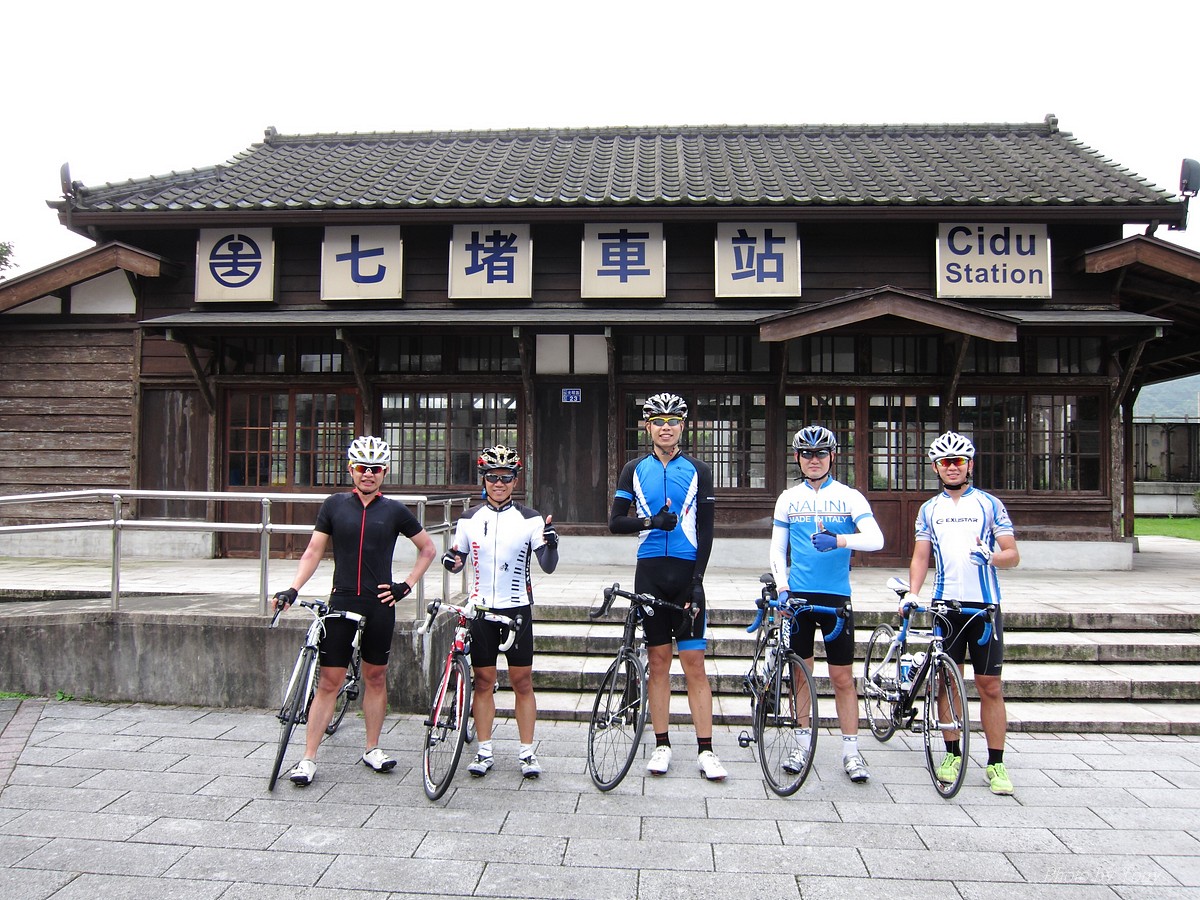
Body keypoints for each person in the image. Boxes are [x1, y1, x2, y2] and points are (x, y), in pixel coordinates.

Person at [272, 435, 437, 786]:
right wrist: (293, 588)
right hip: (343, 600)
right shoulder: (334, 505)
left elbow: (428, 549)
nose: (368, 474)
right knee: (329, 681)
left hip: (379, 603)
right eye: (362, 467)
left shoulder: (394, 510)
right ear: (351, 469)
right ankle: (308, 758)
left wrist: (405, 585)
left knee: (375, 677)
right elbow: (313, 551)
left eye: (375, 469)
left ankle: (372, 748)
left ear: (385, 472)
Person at [609, 392, 725, 781]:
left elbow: (706, 530)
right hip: (650, 575)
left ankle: (706, 750)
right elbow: (615, 522)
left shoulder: (698, 469)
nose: (665, 428)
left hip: (686, 574)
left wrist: (698, 582)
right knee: (658, 663)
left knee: (694, 664)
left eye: (673, 421)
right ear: (648, 427)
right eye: (658, 421)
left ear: (683, 427)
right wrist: (651, 523)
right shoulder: (633, 469)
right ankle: (662, 745)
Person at [769, 425, 884, 783]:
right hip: (799, 598)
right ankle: (801, 745)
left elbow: (876, 539)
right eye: (807, 454)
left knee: (842, 677)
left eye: (820, 453)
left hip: (836, 599)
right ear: (797, 458)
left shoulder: (849, 497)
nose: (814, 460)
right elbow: (777, 549)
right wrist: (782, 587)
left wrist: (840, 541)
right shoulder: (788, 498)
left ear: (832, 457)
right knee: (800, 674)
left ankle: (851, 752)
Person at [909, 431, 1020, 796]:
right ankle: (952, 753)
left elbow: (1013, 555)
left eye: (958, 461)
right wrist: (912, 594)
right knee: (947, 680)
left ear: (969, 465)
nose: (952, 467)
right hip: (946, 607)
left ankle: (996, 763)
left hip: (984, 608)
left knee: (990, 686)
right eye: (945, 462)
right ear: (935, 467)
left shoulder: (989, 504)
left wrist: (993, 557)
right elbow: (921, 556)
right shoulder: (929, 510)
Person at [442, 445, 559, 779]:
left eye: (506, 478)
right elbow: (456, 560)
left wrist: (551, 544)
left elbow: (548, 565)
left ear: (515, 481)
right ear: (483, 479)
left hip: (517, 610)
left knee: (522, 681)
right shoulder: (468, 519)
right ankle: (484, 750)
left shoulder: (531, 519)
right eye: (492, 477)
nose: (499, 483)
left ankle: (527, 752)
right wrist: (450, 561)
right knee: (483, 681)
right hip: (481, 610)